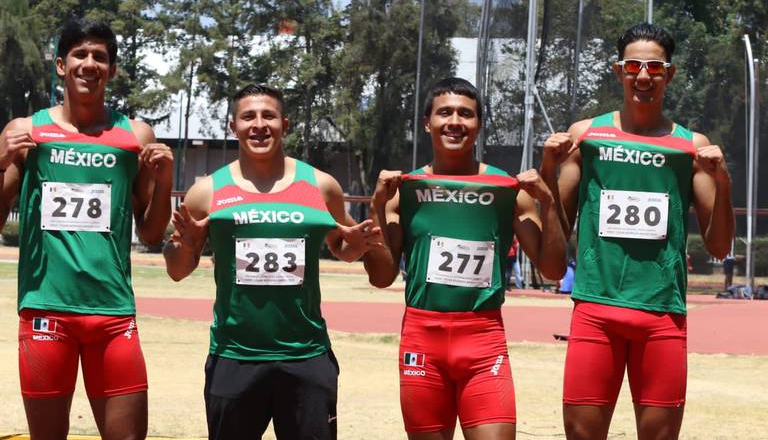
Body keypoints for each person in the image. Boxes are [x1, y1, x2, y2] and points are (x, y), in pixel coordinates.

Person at [542, 23, 735, 440]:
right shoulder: (585, 137)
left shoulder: (691, 147)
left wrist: (724, 181)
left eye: (654, 67)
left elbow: (719, 247)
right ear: (618, 71)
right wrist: (548, 170)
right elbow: (556, 236)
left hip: (662, 314)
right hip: (596, 311)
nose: (643, 76)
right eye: (633, 66)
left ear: (670, 74)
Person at [163, 84, 381, 440]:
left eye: (269, 116)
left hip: (305, 357)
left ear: (286, 124)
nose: (259, 125)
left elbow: (343, 247)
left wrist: (356, 246)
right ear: (233, 127)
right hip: (234, 356)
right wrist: (187, 246)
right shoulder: (207, 191)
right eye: (248, 116)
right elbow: (176, 269)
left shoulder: (321, 186)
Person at [364, 77, 566, 440]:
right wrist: (378, 206)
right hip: (422, 339)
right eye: (445, 113)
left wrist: (548, 203)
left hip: (484, 339)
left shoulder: (508, 190)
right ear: (427, 122)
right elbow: (381, 277)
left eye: (466, 114)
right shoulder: (403, 191)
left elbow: (552, 269)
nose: (455, 121)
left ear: (479, 124)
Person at [0, 18, 173, 439]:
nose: (89, 63)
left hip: (112, 316)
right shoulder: (26, 132)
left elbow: (149, 234)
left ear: (111, 71)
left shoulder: (134, 135)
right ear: (61, 65)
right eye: (80, 54)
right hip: (46, 311)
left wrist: (166, 181)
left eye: (100, 56)